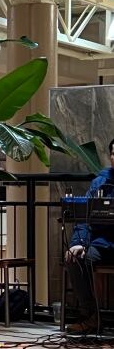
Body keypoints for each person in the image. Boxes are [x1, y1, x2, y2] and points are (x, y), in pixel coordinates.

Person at [65, 139, 114, 334]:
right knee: (75, 258)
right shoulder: (100, 182)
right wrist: (79, 243)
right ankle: (90, 316)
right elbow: (84, 218)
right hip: (102, 244)